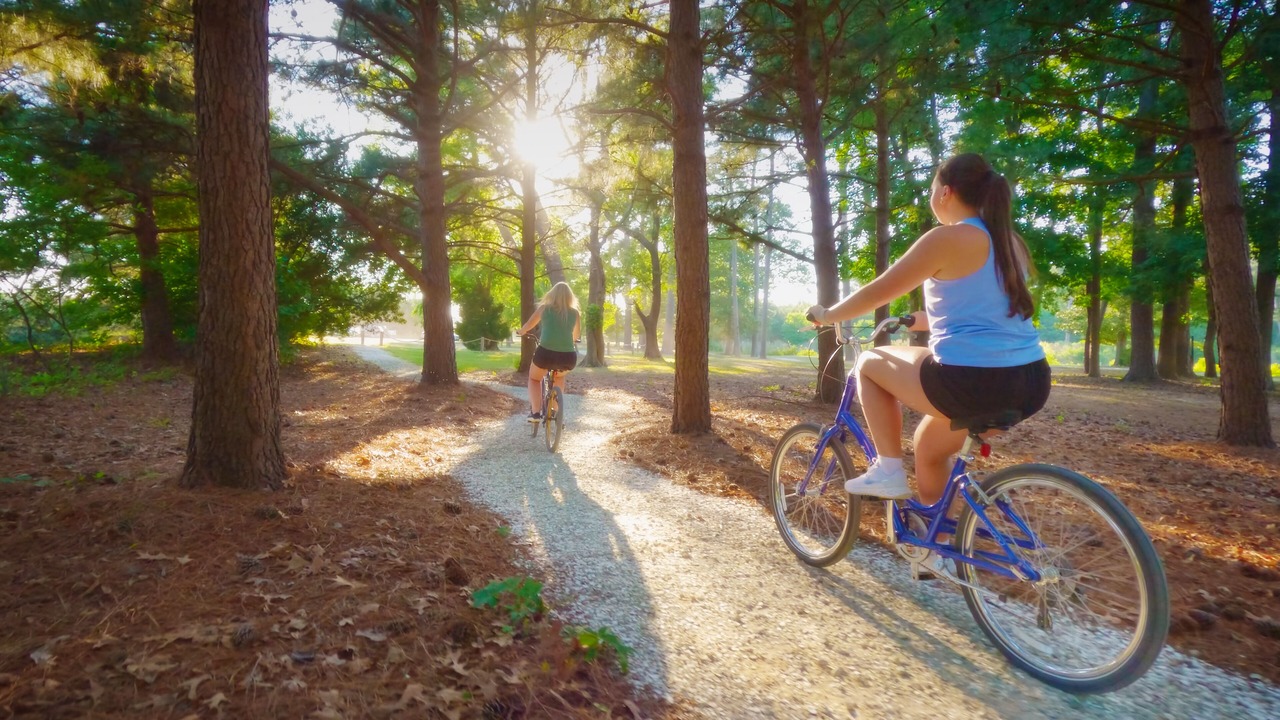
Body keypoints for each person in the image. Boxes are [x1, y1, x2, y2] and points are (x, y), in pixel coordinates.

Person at [807, 153, 1050, 507]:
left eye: (933, 188)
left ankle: (888, 469)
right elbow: (984, 307)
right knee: (928, 448)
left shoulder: (946, 239)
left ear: (946, 192)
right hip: (1031, 381)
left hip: (972, 382)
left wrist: (829, 314)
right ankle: (939, 551)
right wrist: (920, 320)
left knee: (870, 364)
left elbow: (879, 292)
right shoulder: (1010, 242)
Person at [516, 282, 582, 422]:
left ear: (552, 294)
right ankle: (555, 411)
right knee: (559, 377)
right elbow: (576, 337)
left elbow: (528, 326)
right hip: (568, 357)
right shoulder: (575, 313)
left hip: (545, 354)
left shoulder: (544, 309)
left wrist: (521, 332)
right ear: (570, 297)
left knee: (534, 379)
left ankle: (535, 413)